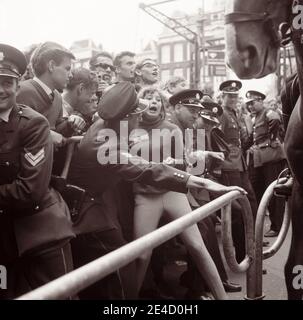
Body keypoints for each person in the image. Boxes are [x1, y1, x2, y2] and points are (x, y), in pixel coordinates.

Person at [67, 81, 246, 300]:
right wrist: (203, 183)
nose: (140, 116)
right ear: (127, 118)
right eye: (137, 114)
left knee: (116, 263)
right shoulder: (106, 142)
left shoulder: (108, 123)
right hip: (86, 209)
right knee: (121, 264)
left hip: (99, 201)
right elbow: (148, 169)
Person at [0, 43, 74, 299]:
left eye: (7, 82)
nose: (1, 89)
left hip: (41, 230)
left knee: (60, 296)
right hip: (4, 237)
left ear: (18, 86)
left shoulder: (32, 123)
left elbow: (29, 190)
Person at [168, 91, 241, 298]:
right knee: (204, 224)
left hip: (187, 186)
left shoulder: (187, 129)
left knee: (208, 222)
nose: (196, 115)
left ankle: (210, 281)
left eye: (197, 111)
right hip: (167, 190)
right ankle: (199, 287)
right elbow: (179, 164)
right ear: (176, 108)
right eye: (191, 110)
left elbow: (189, 161)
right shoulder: (170, 129)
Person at [17, 41, 86, 146]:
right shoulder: (21, 91)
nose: (71, 75)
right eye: (67, 68)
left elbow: (57, 130)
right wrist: (46, 135)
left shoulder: (57, 96)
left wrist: (70, 123)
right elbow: (12, 133)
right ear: (51, 66)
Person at [219, 80, 258, 262]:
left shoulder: (235, 113)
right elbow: (217, 140)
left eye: (235, 95)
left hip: (240, 165)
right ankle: (242, 257)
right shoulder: (221, 114)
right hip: (229, 167)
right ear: (222, 97)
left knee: (250, 205)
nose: (234, 98)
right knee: (237, 212)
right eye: (230, 96)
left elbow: (243, 140)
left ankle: (250, 254)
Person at [245, 90, 286, 237]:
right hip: (261, 158)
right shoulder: (255, 117)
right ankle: (268, 225)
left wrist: (271, 137)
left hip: (271, 157)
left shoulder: (268, 112)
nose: (250, 106)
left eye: (253, 103)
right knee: (261, 191)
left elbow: (275, 120)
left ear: (261, 101)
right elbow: (252, 137)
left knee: (274, 193)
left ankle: (277, 226)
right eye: (248, 104)